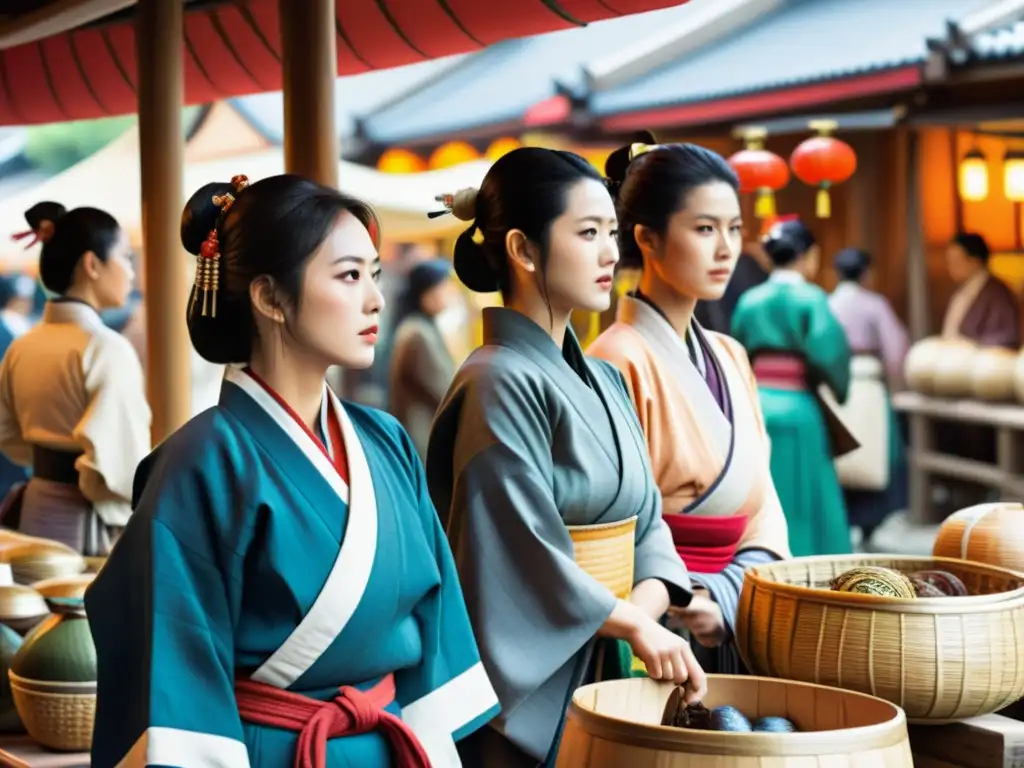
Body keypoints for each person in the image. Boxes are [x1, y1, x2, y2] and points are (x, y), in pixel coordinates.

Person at [85, 174, 499, 768]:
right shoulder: (195, 465)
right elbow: (177, 669)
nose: (376, 299)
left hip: (397, 745)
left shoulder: (386, 441)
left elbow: (437, 630)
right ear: (270, 298)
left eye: (375, 275)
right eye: (350, 275)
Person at [425, 148, 705, 767]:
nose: (611, 253)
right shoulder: (495, 380)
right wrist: (630, 624)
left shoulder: (605, 378)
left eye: (611, 233)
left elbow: (649, 519)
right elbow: (516, 550)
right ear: (524, 250)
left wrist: (643, 611)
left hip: (609, 652)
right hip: (538, 683)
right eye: (587, 233)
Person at [589, 140, 791, 675]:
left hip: (735, 603)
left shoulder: (730, 355)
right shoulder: (613, 358)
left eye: (734, 228)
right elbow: (614, 523)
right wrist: (685, 597)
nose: (725, 249)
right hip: (659, 621)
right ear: (647, 238)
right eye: (704, 229)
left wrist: (730, 591)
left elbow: (761, 496)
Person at [0, 206, 149, 554]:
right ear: (92, 265)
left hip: (34, 511)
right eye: (125, 258)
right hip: (89, 528)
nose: (130, 272)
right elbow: (124, 469)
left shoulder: (23, 346)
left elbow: (7, 435)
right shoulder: (107, 348)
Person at [730, 217, 853, 557]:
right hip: (799, 406)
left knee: (764, 492)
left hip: (756, 404)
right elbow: (830, 352)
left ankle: (758, 557)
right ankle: (807, 559)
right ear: (808, 255)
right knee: (806, 496)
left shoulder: (749, 300)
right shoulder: (811, 298)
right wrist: (838, 386)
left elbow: (736, 351)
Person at [829, 248, 909, 542]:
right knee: (874, 452)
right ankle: (870, 523)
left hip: (836, 384)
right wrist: (897, 384)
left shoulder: (828, 303)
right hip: (869, 383)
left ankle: (844, 518)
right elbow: (895, 348)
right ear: (865, 273)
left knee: (841, 454)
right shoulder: (875, 304)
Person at [388, 259, 459, 459]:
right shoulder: (418, 334)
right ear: (426, 294)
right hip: (422, 441)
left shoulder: (420, 328)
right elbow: (445, 390)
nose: (449, 293)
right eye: (443, 286)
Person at [942, 232, 1020, 348]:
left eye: (956, 261)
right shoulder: (961, 290)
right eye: (949, 262)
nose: (951, 267)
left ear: (975, 261)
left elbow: (1005, 336)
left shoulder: (997, 293)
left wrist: (970, 347)